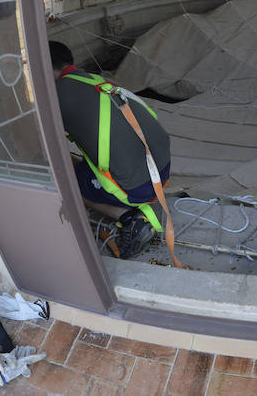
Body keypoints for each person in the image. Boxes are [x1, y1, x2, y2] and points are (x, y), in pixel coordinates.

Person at [49, 41, 171, 259]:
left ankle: (129, 219)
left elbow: (38, 144)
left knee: (59, 177)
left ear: (46, 68)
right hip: (161, 172)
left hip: (139, 188)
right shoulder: (94, 80)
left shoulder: (56, 95)